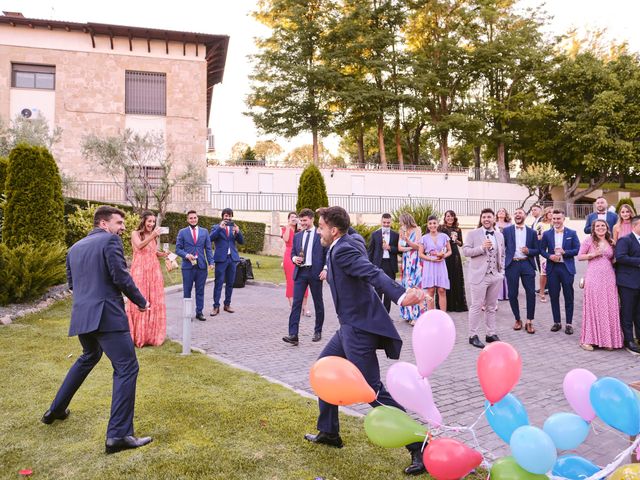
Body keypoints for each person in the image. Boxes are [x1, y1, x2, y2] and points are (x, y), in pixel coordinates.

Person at [304, 206, 428, 476]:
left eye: (322, 227)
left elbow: (371, 271)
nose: (319, 231)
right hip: (350, 326)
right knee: (323, 368)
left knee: (372, 392)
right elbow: (356, 254)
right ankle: (329, 431)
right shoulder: (350, 240)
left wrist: (401, 294)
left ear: (334, 230)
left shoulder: (343, 249)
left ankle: (419, 444)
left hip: (358, 329)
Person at [41, 206, 152, 454]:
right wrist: (141, 301)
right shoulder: (110, 241)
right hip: (107, 317)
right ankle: (119, 435)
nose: (123, 227)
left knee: (89, 356)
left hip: (83, 315)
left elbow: (73, 285)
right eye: (119, 222)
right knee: (127, 367)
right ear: (104, 224)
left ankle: (56, 410)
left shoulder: (74, 248)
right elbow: (121, 277)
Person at [282, 208, 328, 345]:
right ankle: (293, 335)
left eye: (305, 220)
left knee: (318, 302)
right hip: (300, 273)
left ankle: (318, 331)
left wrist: (325, 269)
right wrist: (294, 258)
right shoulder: (297, 236)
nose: (302, 223)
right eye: (301, 221)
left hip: (315, 273)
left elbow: (327, 254)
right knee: (296, 303)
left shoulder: (320, 235)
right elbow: (292, 253)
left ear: (312, 219)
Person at [577, 219, 623, 351]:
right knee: (595, 307)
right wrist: (593, 254)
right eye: (597, 226)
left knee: (608, 307)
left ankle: (607, 340)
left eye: (603, 225)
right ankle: (589, 340)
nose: (600, 228)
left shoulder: (610, 242)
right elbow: (579, 256)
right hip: (594, 277)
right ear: (593, 228)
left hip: (608, 277)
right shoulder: (589, 240)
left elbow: (613, 259)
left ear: (607, 227)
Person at [463, 208, 505, 349]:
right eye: (484, 217)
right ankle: (472, 335)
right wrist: (481, 248)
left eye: (489, 217)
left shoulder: (499, 236)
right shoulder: (473, 234)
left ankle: (490, 334)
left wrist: (501, 272)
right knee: (476, 306)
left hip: (495, 275)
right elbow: (466, 251)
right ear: (481, 219)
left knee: (491, 307)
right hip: (479, 276)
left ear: (494, 219)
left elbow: (503, 254)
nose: (486, 219)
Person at [126, 211, 168, 347]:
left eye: (153, 221)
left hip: (154, 271)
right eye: (149, 221)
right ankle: (138, 335)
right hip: (140, 270)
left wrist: (164, 254)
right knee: (140, 298)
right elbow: (139, 246)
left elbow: (153, 252)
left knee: (153, 299)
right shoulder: (135, 233)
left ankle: (151, 335)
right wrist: (154, 235)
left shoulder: (153, 236)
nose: (152, 224)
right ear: (143, 221)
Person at [540, 209, 581, 335]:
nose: (556, 221)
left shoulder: (572, 233)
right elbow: (541, 250)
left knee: (569, 296)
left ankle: (569, 324)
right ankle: (557, 322)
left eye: (559, 218)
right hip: (553, 268)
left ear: (563, 219)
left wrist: (565, 252)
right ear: (551, 219)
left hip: (566, 268)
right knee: (554, 296)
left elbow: (578, 249)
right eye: (554, 219)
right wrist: (549, 256)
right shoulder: (547, 234)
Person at [503, 208, 539, 334]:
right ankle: (517, 319)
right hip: (512, 264)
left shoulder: (532, 232)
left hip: (527, 264)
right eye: (516, 213)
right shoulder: (506, 231)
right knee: (512, 294)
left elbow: (537, 250)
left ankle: (529, 321)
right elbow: (502, 248)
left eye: (520, 213)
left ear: (525, 216)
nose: (518, 215)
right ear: (514, 216)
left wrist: (529, 251)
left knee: (531, 293)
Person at [176, 210, 214, 321]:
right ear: (187, 220)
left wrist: (211, 262)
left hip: (201, 266)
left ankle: (199, 312)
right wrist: (186, 255)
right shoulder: (182, 232)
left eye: (195, 217)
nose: (193, 219)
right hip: (187, 266)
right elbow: (178, 249)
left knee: (200, 290)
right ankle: (187, 314)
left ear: (197, 218)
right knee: (187, 290)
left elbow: (208, 249)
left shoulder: (204, 232)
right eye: (191, 218)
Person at [209, 208, 245, 316]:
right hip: (221, 259)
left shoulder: (234, 227)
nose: (228, 218)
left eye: (229, 216)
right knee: (218, 283)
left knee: (230, 283)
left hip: (232, 259)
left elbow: (241, 242)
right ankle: (216, 306)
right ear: (222, 216)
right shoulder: (216, 227)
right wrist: (220, 228)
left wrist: (238, 232)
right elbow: (210, 238)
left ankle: (227, 304)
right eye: (226, 216)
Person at [614, 215, 640, 355]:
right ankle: (629, 340)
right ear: (634, 226)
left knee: (639, 313)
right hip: (628, 283)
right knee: (628, 312)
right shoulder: (625, 240)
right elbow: (621, 257)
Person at [367, 212, 400, 313]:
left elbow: (399, 250)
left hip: (390, 265)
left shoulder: (395, 235)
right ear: (381, 222)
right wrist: (369, 266)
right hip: (378, 265)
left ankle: (387, 314)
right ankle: (378, 314)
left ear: (391, 222)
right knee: (378, 290)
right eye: (384, 222)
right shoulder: (375, 234)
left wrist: (390, 248)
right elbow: (370, 251)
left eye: (388, 223)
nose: (386, 224)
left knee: (389, 291)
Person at [419, 215, 451, 311]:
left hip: (441, 264)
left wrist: (443, 256)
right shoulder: (424, 238)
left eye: (434, 223)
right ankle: (431, 316)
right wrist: (431, 259)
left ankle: (443, 316)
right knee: (431, 290)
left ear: (438, 224)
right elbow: (420, 254)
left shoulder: (444, 236)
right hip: (429, 265)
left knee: (442, 290)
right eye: (430, 223)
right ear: (427, 225)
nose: (432, 225)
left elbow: (449, 251)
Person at [438, 210, 468, 312]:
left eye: (452, 216)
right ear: (445, 217)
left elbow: (461, 243)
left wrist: (456, 240)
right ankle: (445, 305)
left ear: (454, 217)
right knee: (445, 277)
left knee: (455, 278)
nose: (450, 218)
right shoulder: (441, 228)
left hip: (454, 254)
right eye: (448, 216)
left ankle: (456, 304)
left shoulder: (457, 229)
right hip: (444, 253)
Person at [281, 212, 310, 315]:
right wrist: (289, 226)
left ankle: (305, 306)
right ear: (288, 219)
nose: (294, 219)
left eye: (295, 217)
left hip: (300, 254)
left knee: (304, 279)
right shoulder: (285, 228)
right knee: (290, 281)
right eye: (292, 217)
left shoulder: (300, 229)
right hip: (289, 255)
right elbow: (286, 239)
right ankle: (293, 306)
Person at [398, 213, 423, 325]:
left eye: (401, 221)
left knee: (415, 284)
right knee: (406, 286)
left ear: (406, 220)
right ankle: (408, 314)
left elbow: (418, 247)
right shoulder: (401, 230)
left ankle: (417, 315)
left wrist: (408, 243)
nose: (400, 223)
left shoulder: (417, 229)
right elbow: (399, 247)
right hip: (406, 261)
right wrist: (409, 248)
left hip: (415, 261)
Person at [536, 207, 553, 303]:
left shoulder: (556, 224)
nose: (551, 214)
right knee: (544, 272)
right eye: (549, 212)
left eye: (552, 212)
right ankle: (542, 292)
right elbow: (537, 237)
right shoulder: (540, 225)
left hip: (555, 251)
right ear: (545, 214)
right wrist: (547, 235)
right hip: (544, 251)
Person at [495, 208, 512, 302]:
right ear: (497, 214)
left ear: (506, 214)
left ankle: (507, 293)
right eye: (499, 211)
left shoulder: (509, 225)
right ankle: (498, 293)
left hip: (506, 249)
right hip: (496, 249)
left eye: (503, 211)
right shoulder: (494, 224)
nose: (501, 212)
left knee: (506, 270)